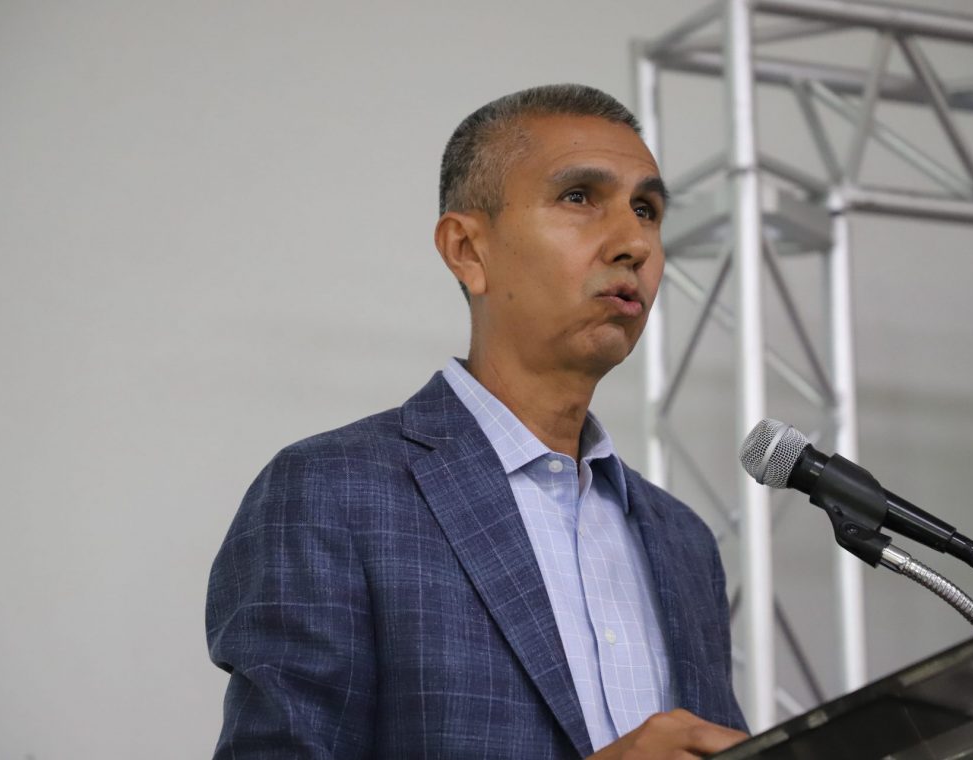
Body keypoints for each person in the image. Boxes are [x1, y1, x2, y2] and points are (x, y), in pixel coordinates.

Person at [206, 84, 748, 759]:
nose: (634, 242)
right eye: (580, 197)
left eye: (647, 210)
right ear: (467, 250)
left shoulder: (683, 540)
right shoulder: (331, 492)